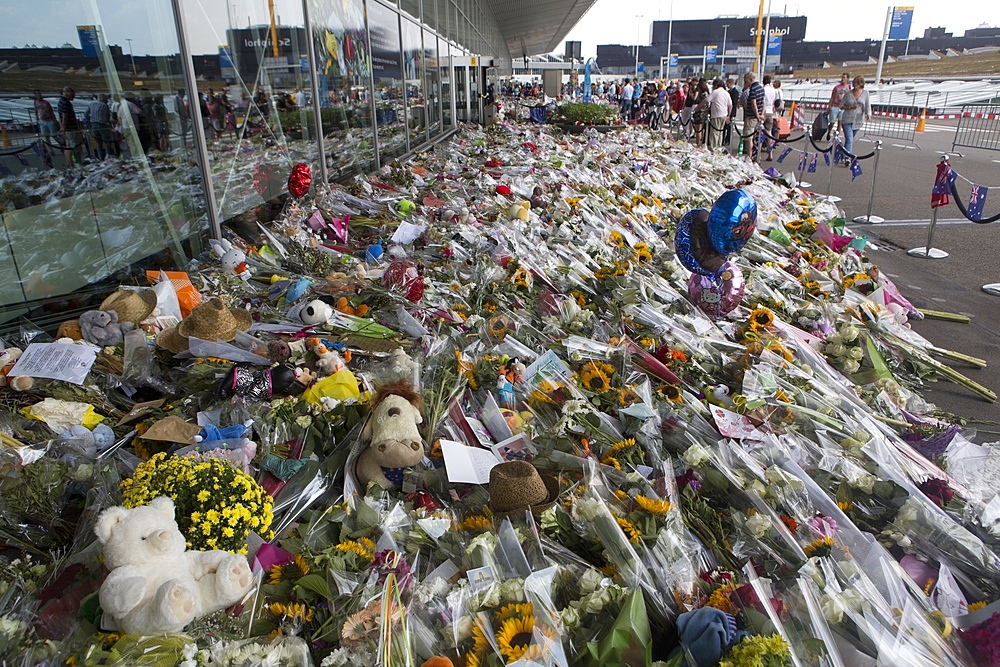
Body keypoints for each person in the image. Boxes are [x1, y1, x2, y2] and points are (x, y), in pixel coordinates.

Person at [839, 75, 871, 162]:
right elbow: (841, 105)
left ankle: (842, 154)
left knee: (850, 140)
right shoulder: (848, 94)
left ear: (861, 84)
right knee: (849, 139)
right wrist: (850, 107)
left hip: (858, 120)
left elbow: (868, 105)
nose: (854, 85)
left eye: (856, 83)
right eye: (854, 83)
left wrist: (868, 114)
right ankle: (847, 158)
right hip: (847, 119)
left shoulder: (865, 93)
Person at [57, 86, 83, 168]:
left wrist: (62, 127)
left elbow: (60, 117)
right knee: (74, 147)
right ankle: (75, 164)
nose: (74, 97)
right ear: (67, 93)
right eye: (72, 94)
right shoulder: (65, 103)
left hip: (67, 129)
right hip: (71, 128)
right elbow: (64, 116)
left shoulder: (60, 102)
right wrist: (64, 127)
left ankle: (70, 164)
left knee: (68, 148)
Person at [741, 72, 764, 161]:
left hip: (751, 116)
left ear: (751, 80)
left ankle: (749, 157)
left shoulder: (753, 89)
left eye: (746, 81)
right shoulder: (761, 88)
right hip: (758, 116)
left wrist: (757, 115)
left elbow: (753, 103)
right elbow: (763, 102)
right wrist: (762, 114)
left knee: (748, 137)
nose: (745, 84)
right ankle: (757, 155)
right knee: (757, 137)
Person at [85, 94, 114, 160]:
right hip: (102, 124)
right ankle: (109, 156)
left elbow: (86, 113)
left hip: (94, 124)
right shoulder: (104, 106)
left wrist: (89, 121)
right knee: (107, 141)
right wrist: (109, 123)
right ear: (104, 99)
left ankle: (101, 157)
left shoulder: (91, 104)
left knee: (98, 143)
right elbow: (107, 116)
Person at [706, 78, 732, 150]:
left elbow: (707, 100)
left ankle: (713, 148)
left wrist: (698, 109)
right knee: (720, 132)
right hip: (724, 115)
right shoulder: (726, 93)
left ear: (716, 85)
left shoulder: (715, 92)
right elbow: (730, 105)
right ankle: (718, 147)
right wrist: (728, 116)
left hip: (716, 115)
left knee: (714, 132)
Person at [33, 90, 57, 159]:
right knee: (46, 136)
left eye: (39, 93)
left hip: (49, 120)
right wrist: (37, 118)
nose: (39, 95)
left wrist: (54, 119)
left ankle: (61, 145)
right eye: (37, 94)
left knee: (54, 134)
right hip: (42, 121)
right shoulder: (35, 103)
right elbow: (35, 110)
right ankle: (51, 150)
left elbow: (51, 110)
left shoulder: (46, 102)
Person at [828, 73, 850, 137]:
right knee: (832, 122)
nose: (842, 79)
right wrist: (829, 106)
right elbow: (832, 97)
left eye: (844, 78)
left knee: (840, 123)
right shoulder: (836, 87)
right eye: (842, 77)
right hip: (835, 106)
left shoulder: (848, 87)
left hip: (843, 107)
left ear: (847, 79)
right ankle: (829, 131)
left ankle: (836, 136)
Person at [761, 75, 776, 160]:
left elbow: (763, 101)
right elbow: (774, 101)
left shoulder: (763, 89)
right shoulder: (773, 90)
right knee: (769, 133)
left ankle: (758, 155)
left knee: (759, 133)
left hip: (763, 111)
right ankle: (770, 154)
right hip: (770, 111)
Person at [691, 79, 709, 145]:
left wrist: (696, 109)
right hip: (705, 112)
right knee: (702, 129)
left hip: (699, 112)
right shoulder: (707, 93)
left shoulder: (701, 93)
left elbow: (698, 100)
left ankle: (698, 143)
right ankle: (702, 142)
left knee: (698, 129)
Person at [724, 78, 740, 148]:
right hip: (728, 111)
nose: (726, 85)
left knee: (729, 127)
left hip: (731, 112)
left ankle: (728, 139)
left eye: (727, 84)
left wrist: (731, 113)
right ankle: (725, 139)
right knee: (726, 126)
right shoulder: (730, 91)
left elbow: (734, 103)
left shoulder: (734, 91)